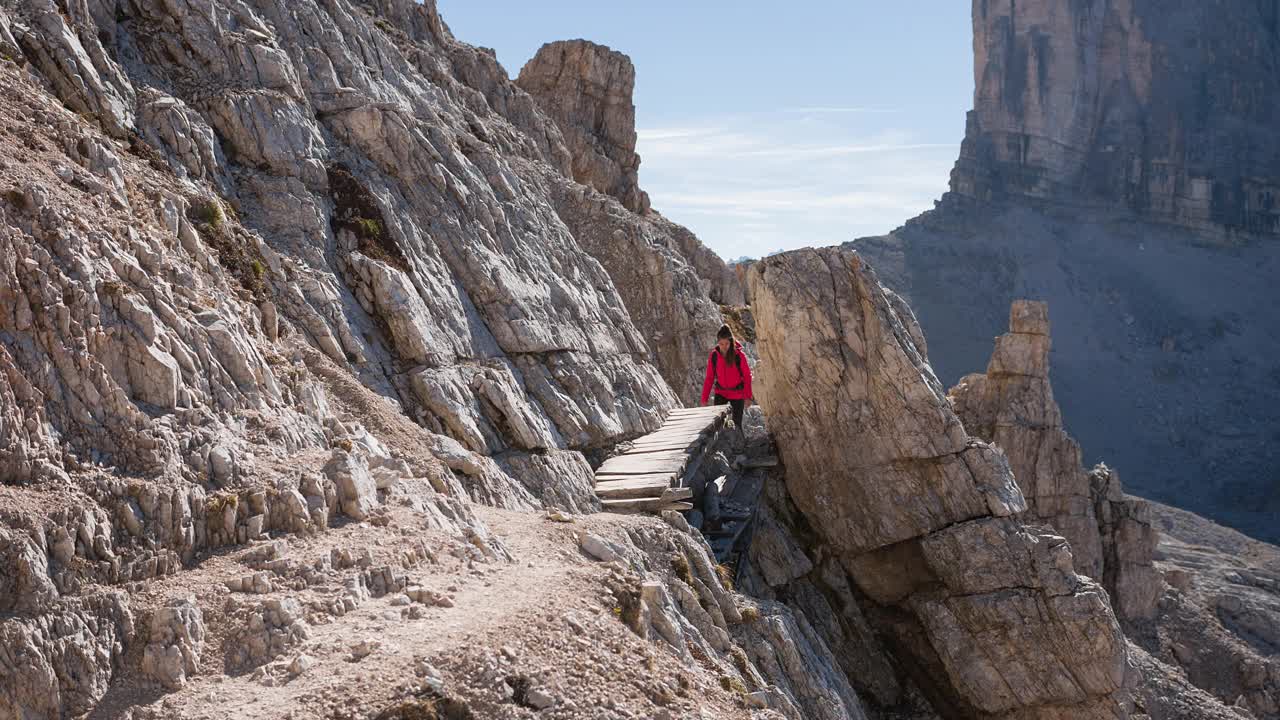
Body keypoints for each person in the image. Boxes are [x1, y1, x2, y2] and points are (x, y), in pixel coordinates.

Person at [700, 324, 753, 430]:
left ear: (731, 342)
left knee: (737, 425)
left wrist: (748, 396)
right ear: (718, 342)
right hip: (721, 393)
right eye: (721, 344)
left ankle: (738, 445)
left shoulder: (739, 356)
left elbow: (747, 376)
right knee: (718, 425)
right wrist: (704, 399)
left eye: (727, 343)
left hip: (737, 394)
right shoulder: (714, 356)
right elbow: (709, 378)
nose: (724, 347)